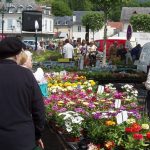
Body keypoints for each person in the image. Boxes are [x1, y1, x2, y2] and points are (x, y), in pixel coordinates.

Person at [0, 37, 45, 150]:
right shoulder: (26, 75)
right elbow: (38, 110)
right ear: (17, 55)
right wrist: (37, 134)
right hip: (22, 139)